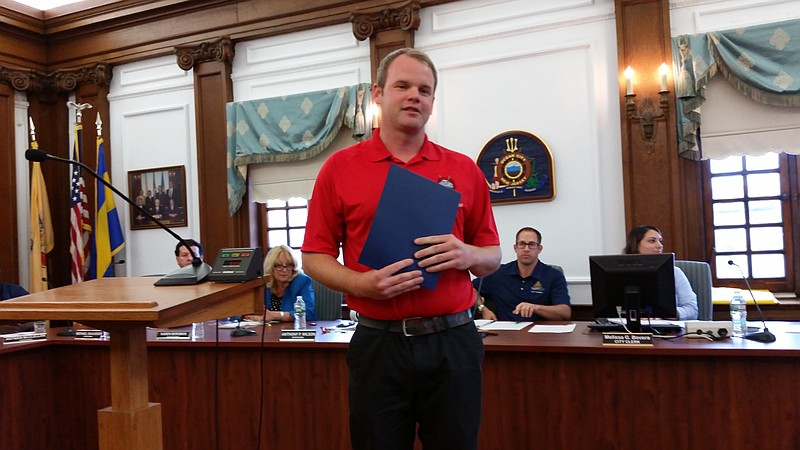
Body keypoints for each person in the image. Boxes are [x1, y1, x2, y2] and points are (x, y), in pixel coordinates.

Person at [301, 48, 501, 450]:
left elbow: (492, 254)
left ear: (432, 101)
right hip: (378, 345)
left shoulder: (464, 169)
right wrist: (361, 284)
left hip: (453, 342)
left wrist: (468, 255)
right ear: (377, 93)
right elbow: (313, 258)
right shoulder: (339, 168)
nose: (415, 96)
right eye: (403, 86)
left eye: (425, 90)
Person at [474, 227, 571, 321]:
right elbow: (470, 288)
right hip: (504, 333)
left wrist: (536, 308)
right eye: (522, 244)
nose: (526, 249)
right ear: (515, 248)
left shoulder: (553, 275)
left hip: (540, 334)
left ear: (539, 249)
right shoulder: (497, 273)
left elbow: (565, 312)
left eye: (532, 244)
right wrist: (483, 309)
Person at [623, 225, 699, 320]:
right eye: (652, 241)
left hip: (667, 330)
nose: (660, 245)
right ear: (636, 245)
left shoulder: (675, 272)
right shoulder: (621, 274)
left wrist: (668, 314)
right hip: (627, 328)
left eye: (660, 241)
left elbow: (692, 310)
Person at [242, 245, 317, 323]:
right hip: (268, 330)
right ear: (270, 267)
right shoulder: (262, 283)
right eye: (279, 266)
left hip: (296, 329)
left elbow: (308, 313)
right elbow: (243, 311)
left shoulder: (302, 281)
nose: (284, 270)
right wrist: (251, 316)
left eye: (289, 265)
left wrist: (275, 315)